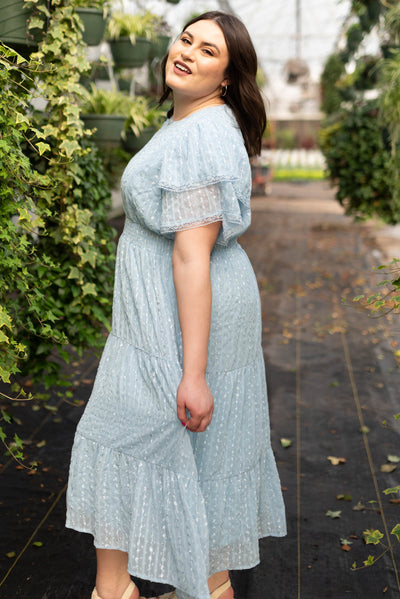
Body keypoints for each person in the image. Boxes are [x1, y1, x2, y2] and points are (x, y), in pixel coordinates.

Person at [66, 10, 286, 599]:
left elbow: (193, 255)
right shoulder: (187, 121)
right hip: (157, 313)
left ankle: (127, 591)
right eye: (185, 39)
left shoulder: (204, 134)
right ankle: (136, 589)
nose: (186, 52)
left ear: (227, 76)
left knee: (140, 433)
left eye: (208, 50)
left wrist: (193, 374)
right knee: (184, 447)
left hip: (181, 314)